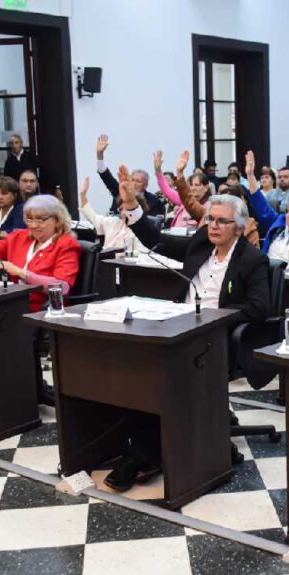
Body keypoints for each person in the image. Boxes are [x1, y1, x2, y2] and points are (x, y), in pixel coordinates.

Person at [107, 193, 271, 492]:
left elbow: (259, 307)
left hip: (214, 337)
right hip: (177, 326)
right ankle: (145, 447)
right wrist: (131, 207)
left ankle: (144, 455)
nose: (214, 226)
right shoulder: (200, 243)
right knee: (133, 367)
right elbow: (156, 240)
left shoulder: (252, 260)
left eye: (222, 221)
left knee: (160, 377)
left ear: (239, 227)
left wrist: (212, 317)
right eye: (211, 219)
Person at [0, 183, 81, 313]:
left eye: (40, 220)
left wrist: (21, 273)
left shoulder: (66, 244)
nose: (34, 225)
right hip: (13, 304)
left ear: (57, 220)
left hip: (42, 310)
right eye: (29, 219)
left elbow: (62, 287)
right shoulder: (19, 237)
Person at [160, 150, 259, 246]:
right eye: (222, 200)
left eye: (228, 201)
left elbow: (253, 255)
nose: (214, 225)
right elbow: (189, 201)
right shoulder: (207, 214)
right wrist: (180, 173)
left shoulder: (247, 225)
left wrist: (250, 175)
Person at [79, 170, 149, 253]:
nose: (123, 213)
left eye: (127, 209)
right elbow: (92, 216)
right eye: (121, 209)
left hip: (126, 260)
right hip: (104, 259)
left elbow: (142, 254)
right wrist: (83, 195)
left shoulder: (143, 230)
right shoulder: (113, 222)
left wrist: (119, 256)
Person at [95, 134, 163, 214]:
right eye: (132, 180)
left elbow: (156, 220)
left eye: (138, 181)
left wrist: (158, 170)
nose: (134, 183)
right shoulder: (120, 192)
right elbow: (106, 177)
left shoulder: (154, 201)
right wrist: (99, 155)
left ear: (145, 185)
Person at [157, 151, 212, 229]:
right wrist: (158, 171)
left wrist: (180, 173)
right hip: (174, 234)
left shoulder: (211, 206)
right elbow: (167, 191)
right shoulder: (183, 200)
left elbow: (208, 227)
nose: (193, 188)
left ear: (206, 187)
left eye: (197, 185)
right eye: (191, 185)